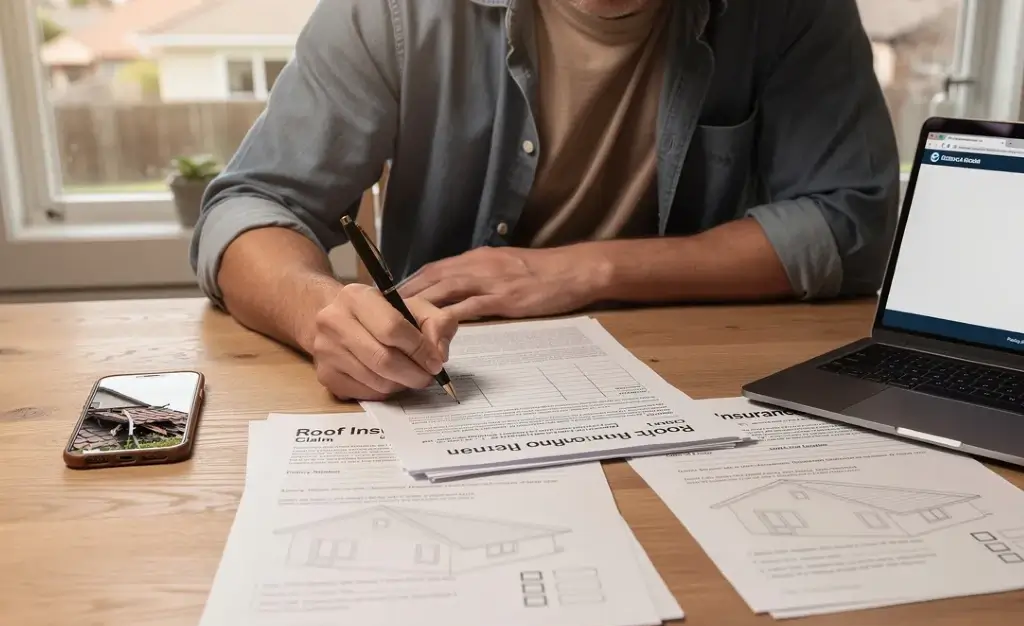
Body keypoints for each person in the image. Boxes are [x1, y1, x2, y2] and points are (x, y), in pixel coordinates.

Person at [190, 0, 900, 401]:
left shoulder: (794, 12)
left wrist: (581, 270)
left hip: (692, 388)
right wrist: (323, 316)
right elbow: (249, 206)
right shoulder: (396, 12)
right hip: (442, 387)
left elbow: (853, 221)